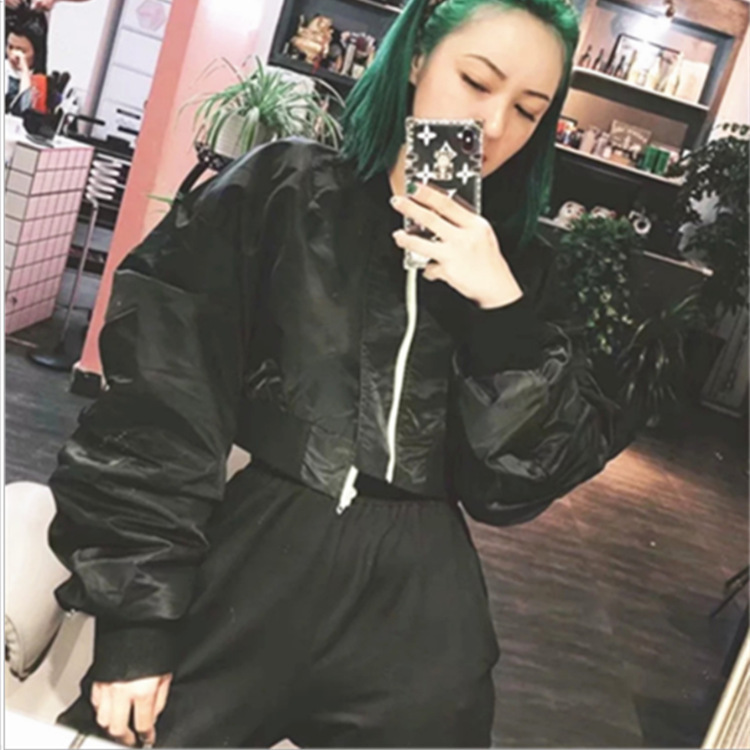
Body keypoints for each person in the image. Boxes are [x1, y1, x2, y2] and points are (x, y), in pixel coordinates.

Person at [49, 0, 629, 747]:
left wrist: (501, 312)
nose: (493, 126)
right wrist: (136, 623)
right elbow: (161, 401)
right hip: (262, 549)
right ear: (417, 58)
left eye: (527, 110)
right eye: (477, 81)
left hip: (419, 596)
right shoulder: (285, 191)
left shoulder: (522, 271)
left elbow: (513, 487)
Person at [5, 10, 46, 115]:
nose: (13, 55)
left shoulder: (40, 81)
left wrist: (24, 70)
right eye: (10, 47)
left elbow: (25, 108)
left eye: (22, 50)